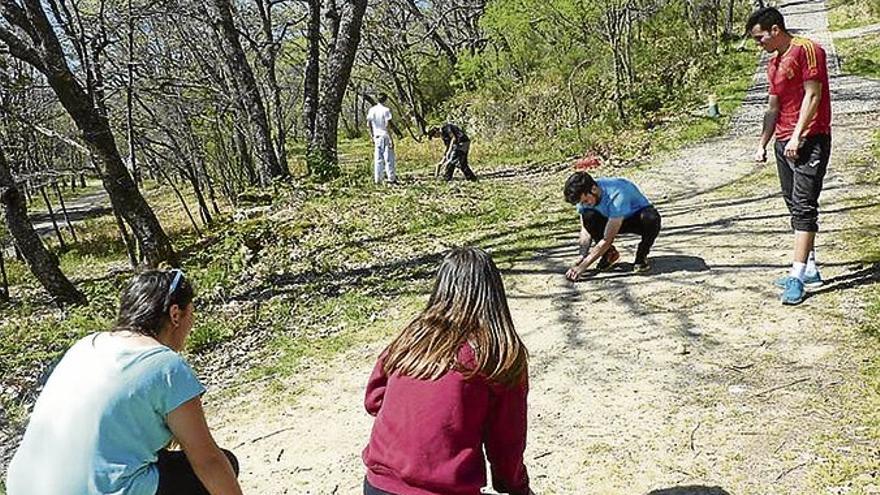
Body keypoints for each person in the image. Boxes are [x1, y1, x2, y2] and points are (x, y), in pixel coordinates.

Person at [5, 270, 242, 495]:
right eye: (192, 312)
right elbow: (207, 461)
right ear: (175, 314)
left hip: (22, 486)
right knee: (223, 465)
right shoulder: (166, 365)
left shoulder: (86, 345)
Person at [362, 247, 532, 495]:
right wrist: (518, 488)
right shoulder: (498, 354)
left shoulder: (412, 337)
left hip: (378, 485)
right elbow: (507, 442)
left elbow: (374, 400)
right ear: (493, 292)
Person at [747, 6, 832, 305]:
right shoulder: (773, 62)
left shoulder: (808, 50)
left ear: (775, 30)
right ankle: (809, 268)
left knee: (804, 206)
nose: (759, 43)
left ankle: (796, 279)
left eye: (760, 38)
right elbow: (772, 107)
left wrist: (798, 135)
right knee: (793, 205)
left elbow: (813, 95)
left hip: (811, 139)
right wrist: (763, 143)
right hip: (783, 142)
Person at [563, 172, 661, 280]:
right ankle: (609, 254)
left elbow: (607, 239)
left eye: (586, 201)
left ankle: (641, 256)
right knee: (588, 216)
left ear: (594, 189)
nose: (584, 204)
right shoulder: (583, 197)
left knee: (651, 219)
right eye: (582, 203)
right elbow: (585, 231)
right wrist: (582, 256)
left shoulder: (617, 194)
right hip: (611, 218)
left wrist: (582, 267)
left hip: (636, 218)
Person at [367, 94, 397, 184]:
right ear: (385, 100)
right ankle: (391, 178)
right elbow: (387, 125)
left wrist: (371, 136)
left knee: (378, 159)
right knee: (388, 158)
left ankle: (378, 179)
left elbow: (368, 125)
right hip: (385, 135)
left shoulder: (372, 110)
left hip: (376, 136)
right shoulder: (386, 110)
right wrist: (391, 138)